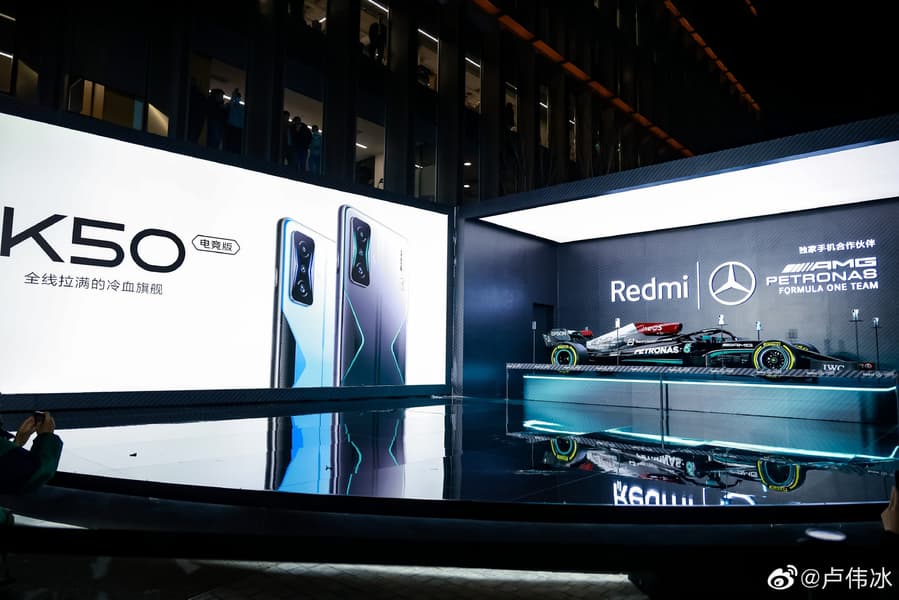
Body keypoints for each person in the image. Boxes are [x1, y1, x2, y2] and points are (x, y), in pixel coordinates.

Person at [224, 88, 245, 153]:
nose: (237, 99)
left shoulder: (241, 107)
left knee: (233, 145)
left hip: (236, 128)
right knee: (233, 145)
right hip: (234, 128)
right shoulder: (239, 107)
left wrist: (233, 96)